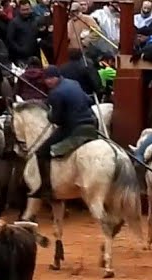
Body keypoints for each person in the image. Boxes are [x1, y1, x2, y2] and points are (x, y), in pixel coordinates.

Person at [33, 66, 97, 200]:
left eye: (50, 78)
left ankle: (46, 188)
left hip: (73, 128)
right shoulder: (74, 83)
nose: (48, 82)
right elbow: (89, 100)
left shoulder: (55, 93)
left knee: (41, 152)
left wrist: (50, 113)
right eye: (46, 79)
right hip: (90, 124)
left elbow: (56, 119)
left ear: (56, 77)